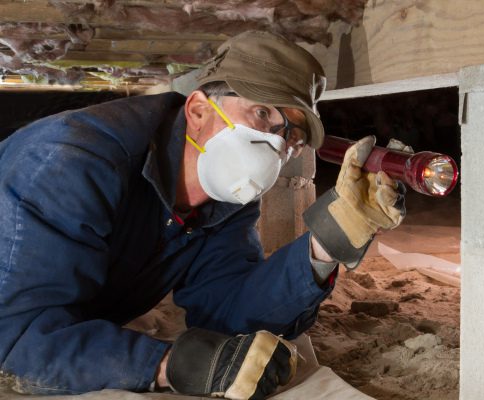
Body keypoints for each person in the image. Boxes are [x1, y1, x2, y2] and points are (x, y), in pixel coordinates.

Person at [0, 30, 404, 399]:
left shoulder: (227, 201)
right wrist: (169, 364)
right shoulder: (70, 163)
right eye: (263, 113)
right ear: (197, 110)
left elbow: (227, 311)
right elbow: (19, 338)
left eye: (291, 135)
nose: (275, 145)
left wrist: (325, 244)